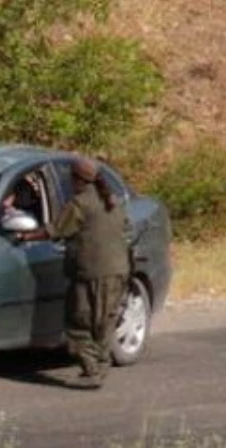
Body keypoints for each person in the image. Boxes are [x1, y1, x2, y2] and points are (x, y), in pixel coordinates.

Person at [49, 157, 131, 389]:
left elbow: (56, 230)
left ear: (77, 179)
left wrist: (26, 235)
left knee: (78, 322)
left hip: (90, 273)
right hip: (118, 271)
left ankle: (91, 370)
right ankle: (102, 364)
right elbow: (125, 228)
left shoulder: (80, 204)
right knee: (104, 321)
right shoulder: (112, 201)